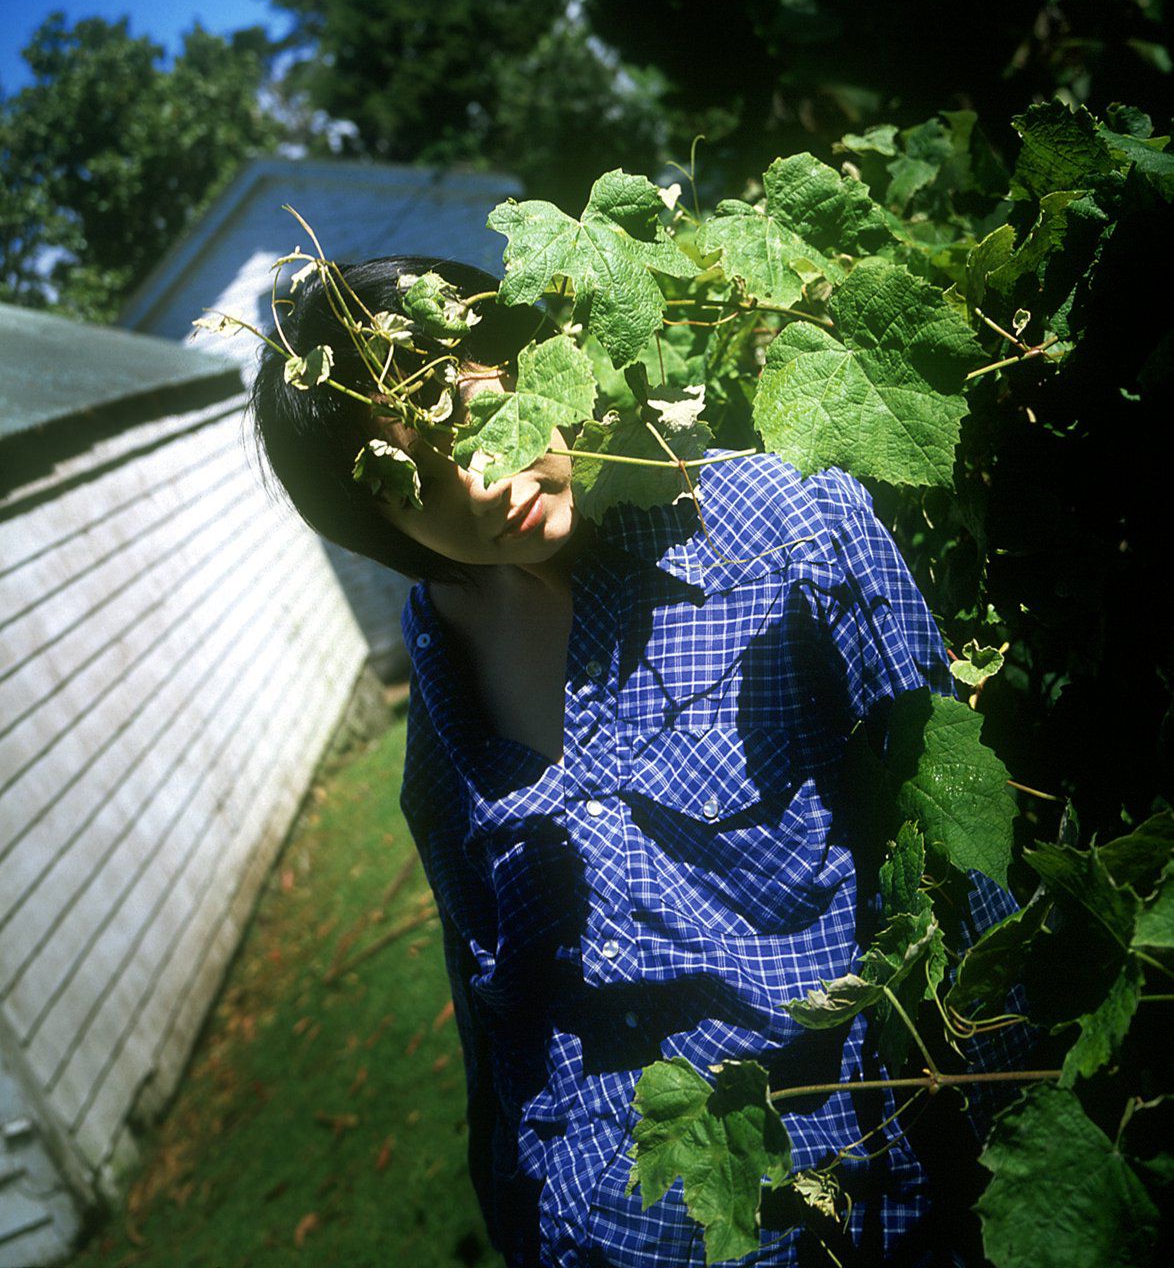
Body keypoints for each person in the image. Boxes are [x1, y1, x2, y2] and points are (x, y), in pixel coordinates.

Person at [251, 255, 1014, 1268]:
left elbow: (968, 872)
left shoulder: (783, 527)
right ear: (374, 524)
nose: (478, 486)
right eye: (415, 484)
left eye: (472, 420)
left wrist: (1012, 1160)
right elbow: (491, 999)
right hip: (593, 1227)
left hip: (854, 1205)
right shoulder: (440, 647)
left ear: (533, 360)